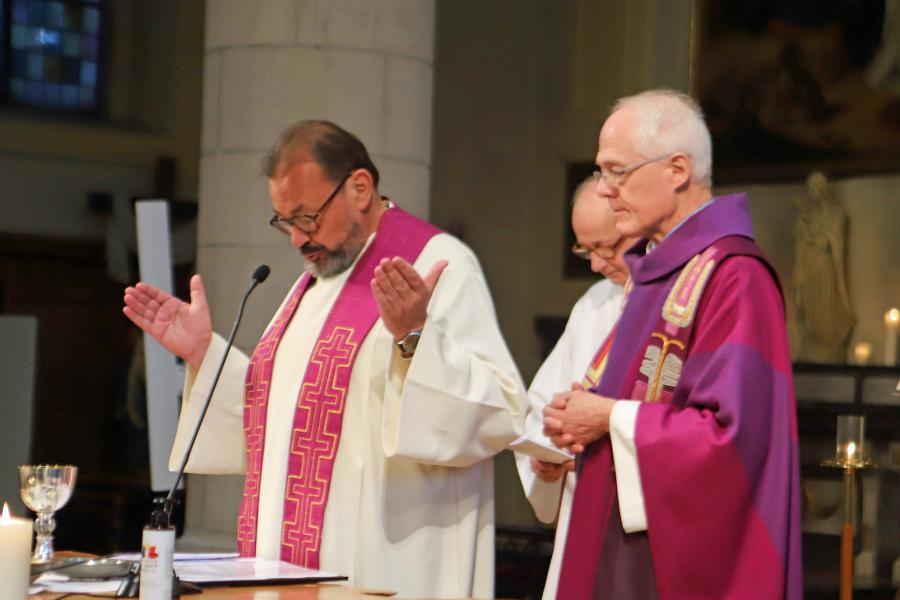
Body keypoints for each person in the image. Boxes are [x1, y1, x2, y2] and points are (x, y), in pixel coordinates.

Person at [123, 120, 527, 599]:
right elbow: (279, 414)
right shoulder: (312, 284)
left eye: (305, 217)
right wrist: (204, 353)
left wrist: (416, 336)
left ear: (359, 187)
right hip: (289, 568)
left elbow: (498, 411)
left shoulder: (436, 263)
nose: (296, 238)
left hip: (387, 558)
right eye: (284, 221)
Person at [544, 89, 802, 599]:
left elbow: (730, 439)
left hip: (673, 567)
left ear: (677, 169)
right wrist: (577, 417)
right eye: (601, 173)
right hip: (621, 543)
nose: (606, 190)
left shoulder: (734, 277)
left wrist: (607, 418)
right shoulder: (656, 273)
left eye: (616, 171)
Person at [514, 177, 636, 600]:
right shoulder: (592, 304)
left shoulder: (677, 305)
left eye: (608, 247)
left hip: (639, 529)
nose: (597, 264)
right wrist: (546, 455)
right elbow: (540, 407)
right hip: (582, 516)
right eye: (586, 249)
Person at [792, 170, 855, 363]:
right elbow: (800, 238)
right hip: (809, 267)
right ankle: (812, 343)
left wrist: (821, 237)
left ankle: (828, 343)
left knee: (826, 305)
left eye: (815, 189)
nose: (813, 194)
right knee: (809, 307)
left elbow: (833, 240)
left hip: (825, 268)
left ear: (824, 190)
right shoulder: (810, 215)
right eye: (810, 190)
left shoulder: (836, 214)